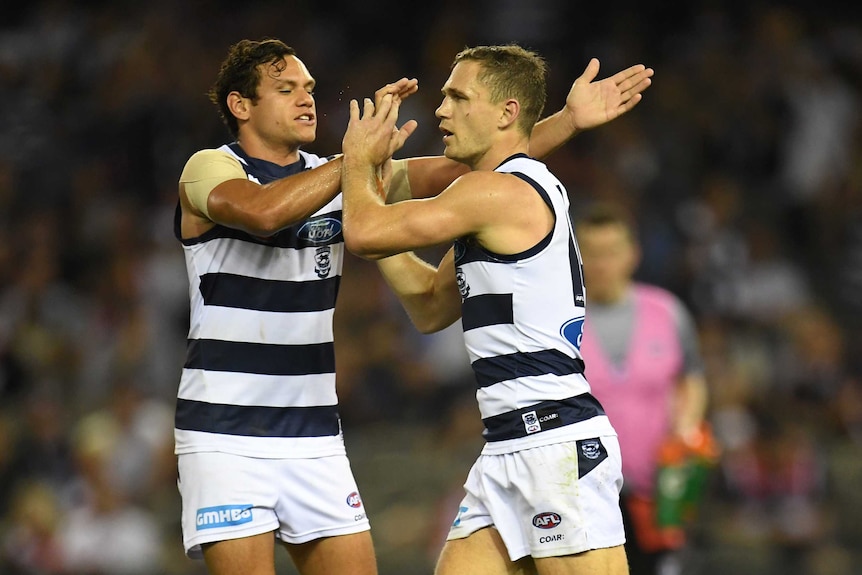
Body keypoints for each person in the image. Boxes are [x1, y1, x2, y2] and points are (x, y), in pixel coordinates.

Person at [174, 38, 654, 575]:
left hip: (525, 436)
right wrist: (359, 170)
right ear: (241, 106)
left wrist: (563, 122)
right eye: (286, 90)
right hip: (227, 431)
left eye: (309, 88)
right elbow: (266, 213)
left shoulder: (490, 193)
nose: (306, 99)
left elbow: (462, 178)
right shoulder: (209, 167)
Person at [341, 44, 653, 574]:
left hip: (554, 443)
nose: (441, 111)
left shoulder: (494, 194)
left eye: (458, 97)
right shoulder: (487, 202)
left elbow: (364, 232)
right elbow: (430, 307)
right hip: (507, 447)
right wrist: (370, 193)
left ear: (508, 113)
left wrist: (357, 161)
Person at [574, 202, 714, 575]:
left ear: (632, 254)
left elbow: (692, 377)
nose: (602, 263)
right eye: (592, 252)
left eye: (612, 251)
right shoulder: (561, 321)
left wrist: (687, 429)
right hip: (585, 491)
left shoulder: (666, 312)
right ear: (577, 257)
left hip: (657, 487)